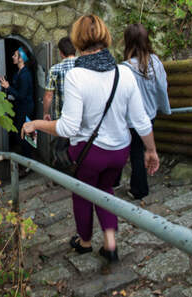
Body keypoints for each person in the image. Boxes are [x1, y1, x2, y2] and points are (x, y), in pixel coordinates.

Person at [22, 15, 159, 263]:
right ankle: (110, 243)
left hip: (90, 154)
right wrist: (151, 150)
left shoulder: (77, 76)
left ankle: (84, 242)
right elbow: (141, 121)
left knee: (83, 194)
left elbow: (68, 127)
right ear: (105, 37)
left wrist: (36, 123)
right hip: (120, 151)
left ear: (77, 40)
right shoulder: (124, 73)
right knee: (106, 190)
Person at [120, 24, 171, 199]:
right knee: (140, 150)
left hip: (131, 120)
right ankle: (138, 185)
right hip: (150, 115)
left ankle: (139, 189)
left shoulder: (125, 68)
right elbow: (162, 87)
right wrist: (164, 107)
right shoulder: (155, 62)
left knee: (134, 152)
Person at [0, 47, 35, 164]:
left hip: (25, 108)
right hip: (20, 107)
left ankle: (29, 164)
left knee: (25, 135)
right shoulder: (18, 72)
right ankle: (26, 160)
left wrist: (8, 87)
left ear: (21, 59)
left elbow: (21, 95)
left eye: (15, 55)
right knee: (20, 134)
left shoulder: (25, 75)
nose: (12, 57)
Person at [43, 36, 77, 121]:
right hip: (81, 118)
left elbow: (48, 95)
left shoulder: (55, 69)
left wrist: (46, 113)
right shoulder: (84, 66)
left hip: (62, 119)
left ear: (61, 52)